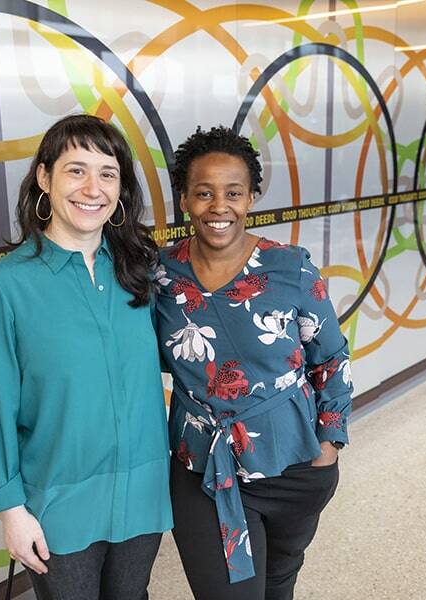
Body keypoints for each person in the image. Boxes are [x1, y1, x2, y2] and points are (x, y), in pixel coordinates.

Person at [0, 114, 171, 600]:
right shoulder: (4, 286)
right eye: (76, 170)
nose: (92, 188)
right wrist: (11, 512)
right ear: (44, 178)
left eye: (107, 173)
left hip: (142, 488)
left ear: (121, 190)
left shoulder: (138, 273)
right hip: (57, 500)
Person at [154, 126, 353, 599]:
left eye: (233, 193)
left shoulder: (290, 268)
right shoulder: (160, 274)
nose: (218, 207)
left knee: (278, 584)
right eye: (203, 193)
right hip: (203, 467)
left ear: (251, 198)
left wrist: (330, 445)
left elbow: (329, 358)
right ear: (184, 199)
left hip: (295, 463)